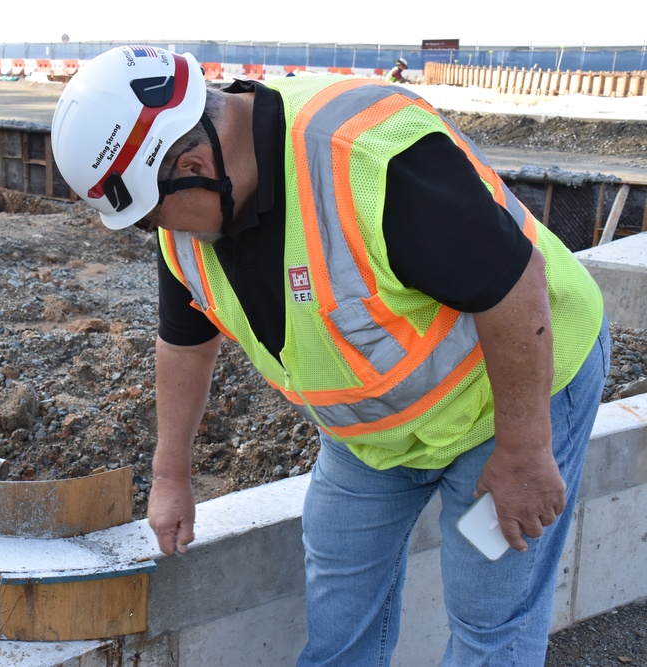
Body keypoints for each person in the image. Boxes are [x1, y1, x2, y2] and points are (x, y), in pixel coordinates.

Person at [50, 45, 609, 666]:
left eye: (152, 214)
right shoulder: (186, 216)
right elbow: (186, 339)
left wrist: (525, 453)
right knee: (341, 618)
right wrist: (169, 475)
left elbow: (512, 285)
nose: (158, 232)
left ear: (195, 162)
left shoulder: (361, 157)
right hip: (372, 438)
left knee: (489, 622)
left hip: (509, 401)